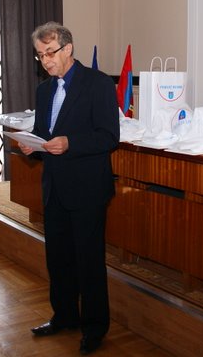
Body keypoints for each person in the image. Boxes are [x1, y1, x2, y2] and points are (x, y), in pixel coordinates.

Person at [19, 22, 119, 355]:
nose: (45, 61)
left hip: (87, 188)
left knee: (88, 262)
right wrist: (33, 146)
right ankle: (64, 316)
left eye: (50, 53)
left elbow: (108, 136)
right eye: (40, 55)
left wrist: (70, 143)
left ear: (68, 48)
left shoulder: (98, 84)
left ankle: (94, 327)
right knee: (58, 259)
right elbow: (43, 134)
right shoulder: (44, 90)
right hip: (55, 187)